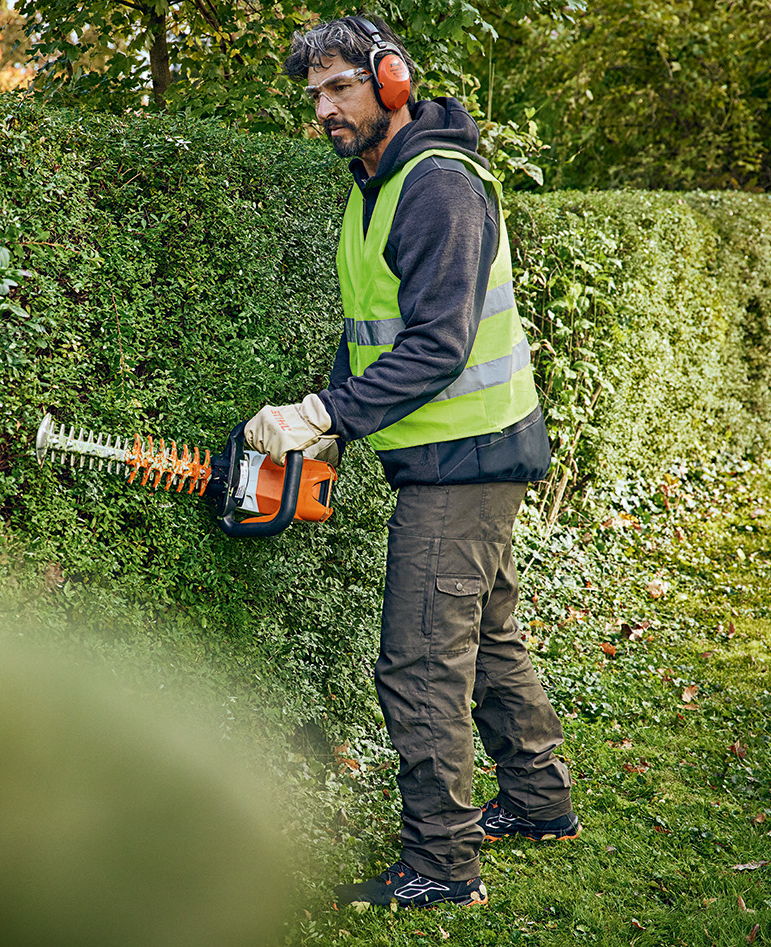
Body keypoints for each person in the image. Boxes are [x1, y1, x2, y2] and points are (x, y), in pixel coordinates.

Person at [243, 15, 578, 910]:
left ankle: (441, 862)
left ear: (391, 80)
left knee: (421, 659)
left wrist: (323, 413)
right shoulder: (377, 185)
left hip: (461, 460)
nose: (324, 108)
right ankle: (539, 800)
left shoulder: (434, 187)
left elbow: (437, 345)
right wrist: (333, 419)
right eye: (314, 94)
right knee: (489, 637)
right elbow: (374, 330)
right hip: (463, 451)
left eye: (340, 86)